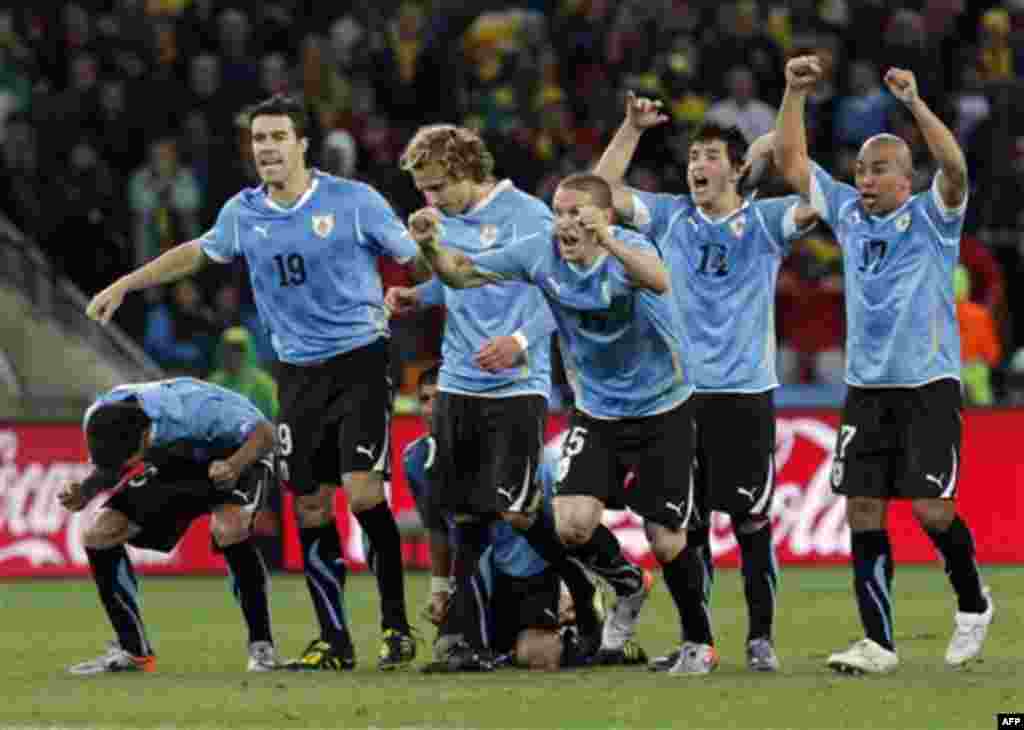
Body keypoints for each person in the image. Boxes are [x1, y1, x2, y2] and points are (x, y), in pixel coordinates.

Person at [85, 94, 418, 671]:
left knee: (363, 494)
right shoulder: (244, 213)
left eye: (277, 137)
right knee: (311, 506)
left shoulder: (354, 201)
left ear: (302, 143)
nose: (266, 148)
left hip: (361, 359)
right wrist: (127, 283)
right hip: (296, 372)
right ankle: (334, 640)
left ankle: (395, 628)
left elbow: (415, 258)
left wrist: (428, 274)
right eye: (258, 139)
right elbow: (195, 253)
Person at [407, 172, 717, 676]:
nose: (565, 224)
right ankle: (627, 584)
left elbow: (658, 279)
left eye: (578, 214)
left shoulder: (629, 249)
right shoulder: (539, 252)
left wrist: (610, 240)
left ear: (604, 218)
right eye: (559, 212)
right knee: (571, 525)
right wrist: (430, 245)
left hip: (663, 408)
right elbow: (461, 274)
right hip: (596, 410)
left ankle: (698, 642)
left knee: (666, 539)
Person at [774, 57, 993, 673]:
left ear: (905, 177)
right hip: (867, 389)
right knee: (862, 510)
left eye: (879, 170)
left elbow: (955, 166)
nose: (865, 179)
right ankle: (878, 643)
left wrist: (917, 104)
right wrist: (793, 92)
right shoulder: (844, 213)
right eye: (861, 169)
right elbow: (793, 164)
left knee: (931, 511)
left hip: (928, 384)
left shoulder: (932, 216)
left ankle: (973, 603)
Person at [594, 93, 819, 672]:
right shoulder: (670, 216)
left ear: (738, 167)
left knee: (749, 521)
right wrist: (630, 128)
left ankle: (760, 638)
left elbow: (812, 196)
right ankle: (700, 640)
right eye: (694, 154)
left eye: (712, 155)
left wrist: (788, 113)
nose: (698, 164)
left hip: (743, 393)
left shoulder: (766, 222)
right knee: (683, 526)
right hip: (677, 396)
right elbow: (598, 193)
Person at [386, 124, 559, 671]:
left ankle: (595, 581)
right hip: (460, 380)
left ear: (465, 172)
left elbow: (569, 292)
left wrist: (520, 341)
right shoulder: (448, 222)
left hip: (517, 383)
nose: (429, 199)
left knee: (514, 512)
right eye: (422, 190)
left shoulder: (528, 216)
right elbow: (463, 278)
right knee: (461, 514)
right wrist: (419, 294)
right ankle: (461, 639)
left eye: (436, 187)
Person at [403, 365, 647, 670]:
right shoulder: (416, 460)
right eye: (425, 399)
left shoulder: (530, 456)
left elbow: (565, 529)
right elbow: (438, 530)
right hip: (481, 576)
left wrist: (569, 587)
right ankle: (490, 649)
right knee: (448, 650)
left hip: (533, 573)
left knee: (536, 654)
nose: (432, 409)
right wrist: (440, 588)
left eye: (441, 399)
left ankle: (595, 636)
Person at [58, 378, 278, 674]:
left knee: (229, 527)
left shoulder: (200, 408)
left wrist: (234, 466)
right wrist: (85, 491)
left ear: (147, 435)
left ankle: (262, 648)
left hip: (240, 454)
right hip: (176, 465)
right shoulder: (101, 415)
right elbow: (114, 466)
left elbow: (266, 434)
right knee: (99, 534)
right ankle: (133, 651)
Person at [209, 326, 280, 420]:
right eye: (228, 349)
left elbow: (276, 416)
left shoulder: (263, 383)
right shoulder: (214, 383)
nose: (232, 354)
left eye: (238, 349)